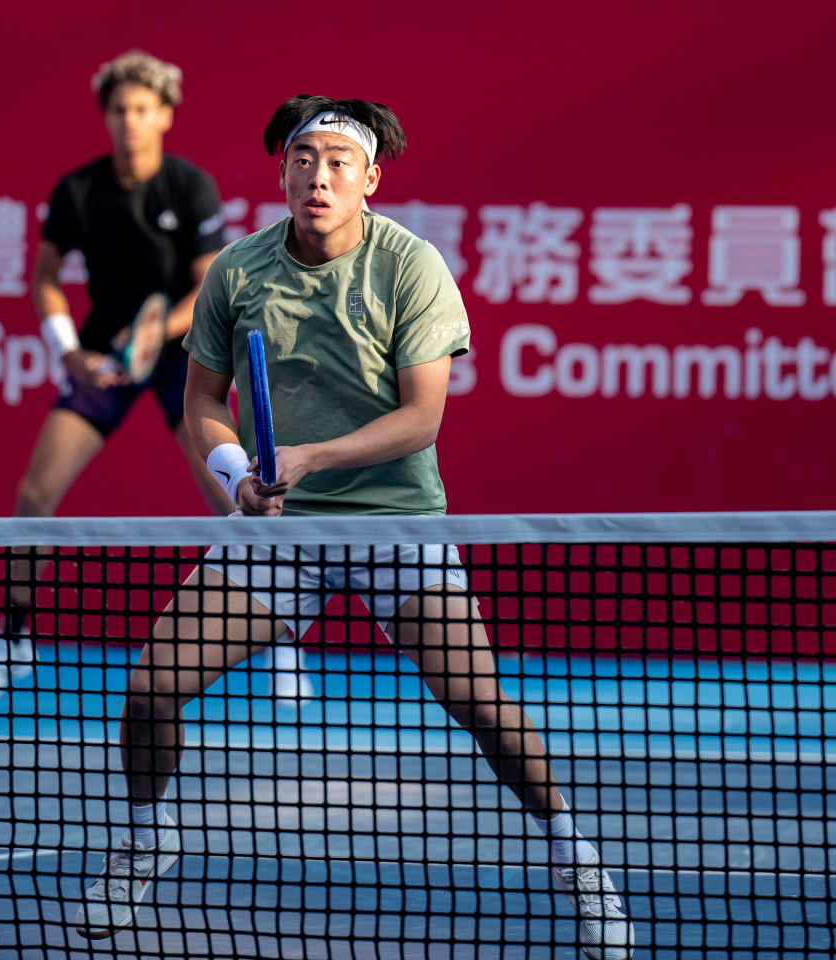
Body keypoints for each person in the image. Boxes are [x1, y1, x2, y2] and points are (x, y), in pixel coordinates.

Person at [71, 97, 635, 960]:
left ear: (370, 180)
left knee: (480, 705)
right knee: (151, 688)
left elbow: (421, 421)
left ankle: (577, 857)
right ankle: (148, 839)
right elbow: (201, 410)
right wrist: (237, 480)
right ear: (283, 172)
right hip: (279, 528)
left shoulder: (410, 266)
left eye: (339, 161)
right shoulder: (237, 271)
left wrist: (307, 458)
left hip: (397, 524)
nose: (318, 175)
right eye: (304, 158)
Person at [0, 50, 233, 701]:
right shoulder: (78, 191)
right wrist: (68, 351)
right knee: (35, 494)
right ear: (107, 117)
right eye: (119, 110)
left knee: (233, 499)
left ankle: (283, 642)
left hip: (183, 354)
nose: (130, 121)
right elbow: (46, 276)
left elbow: (207, 289)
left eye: (143, 109)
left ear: (164, 115)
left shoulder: (189, 187)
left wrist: (150, 334)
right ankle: (15, 639)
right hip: (100, 358)